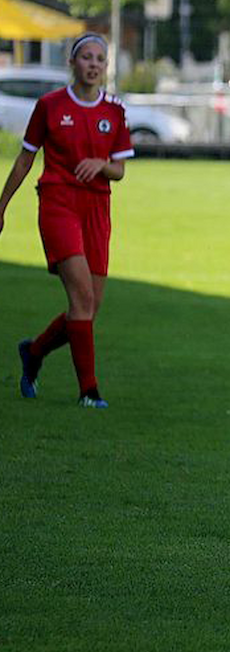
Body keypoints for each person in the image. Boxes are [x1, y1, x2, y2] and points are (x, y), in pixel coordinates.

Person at [1, 33, 134, 409]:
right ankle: (89, 391)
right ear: (72, 63)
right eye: (86, 57)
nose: (93, 64)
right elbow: (26, 158)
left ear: (105, 68)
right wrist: (2, 205)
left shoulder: (115, 111)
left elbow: (120, 170)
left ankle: (35, 351)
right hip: (58, 203)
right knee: (81, 298)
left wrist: (102, 165)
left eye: (100, 60)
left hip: (97, 208)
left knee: (89, 308)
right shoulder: (49, 105)